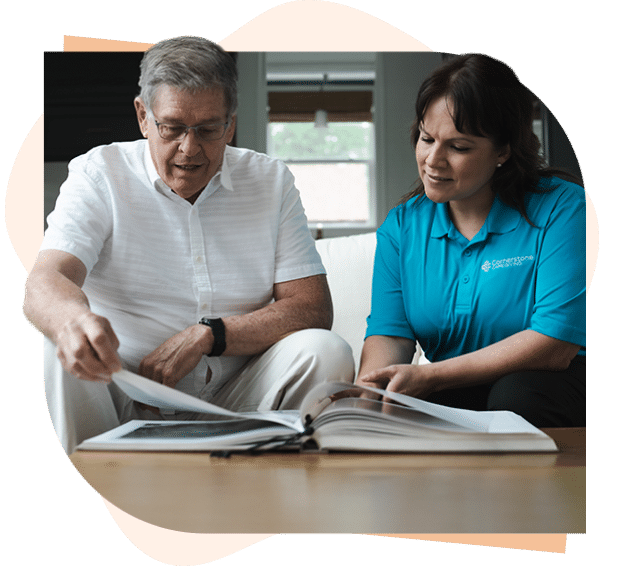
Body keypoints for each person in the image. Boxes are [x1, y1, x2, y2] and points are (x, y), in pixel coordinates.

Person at [24, 37, 354, 454]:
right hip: (124, 397)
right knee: (60, 340)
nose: (189, 148)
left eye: (208, 129)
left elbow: (312, 308)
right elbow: (46, 279)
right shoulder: (99, 172)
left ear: (230, 124)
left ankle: (269, 479)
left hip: (241, 397)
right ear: (144, 117)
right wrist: (73, 321)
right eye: (173, 127)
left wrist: (210, 335)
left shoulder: (271, 180)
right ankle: (97, 481)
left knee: (325, 350)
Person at [356, 53, 586, 428]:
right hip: (454, 382)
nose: (433, 160)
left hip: (554, 381)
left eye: (458, 147)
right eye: (426, 138)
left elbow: (555, 345)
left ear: (503, 151)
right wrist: (367, 398)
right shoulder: (402, 226)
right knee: (397, 408)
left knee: (514, 396)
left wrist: (431, 376)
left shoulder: (564, 207)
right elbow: (390, 335)